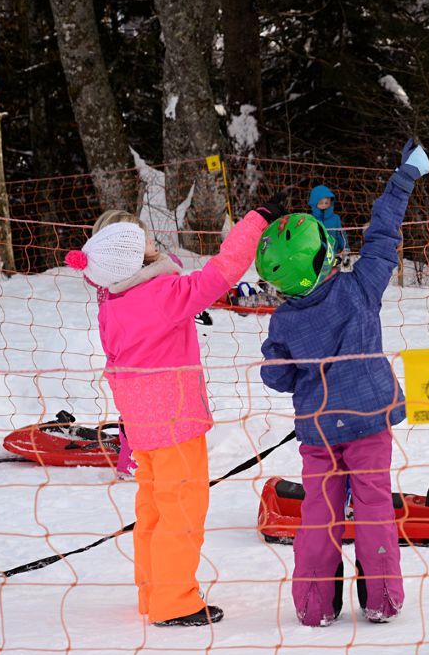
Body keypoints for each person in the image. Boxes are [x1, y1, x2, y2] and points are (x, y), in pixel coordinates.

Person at [66, 201, 276, 626]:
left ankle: (152, 591)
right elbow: (222, 271)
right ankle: (175, 601)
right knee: (182, 513)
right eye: (143, 238)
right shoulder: (163, 295)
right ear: (135, 255)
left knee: (154, 510)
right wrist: (256, 222)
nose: (152, 240)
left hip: (142, 427)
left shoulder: (112, 300)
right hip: (176, 424)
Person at [259, 140, 429, 626]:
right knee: (374, 507)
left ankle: (314, 605)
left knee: (320, 513)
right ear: (324, 254)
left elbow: (278, 377)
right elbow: (382, 237)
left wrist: (279, 360)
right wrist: (403, 179)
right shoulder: (359, 288)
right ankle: (382, 600)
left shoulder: (284, 321)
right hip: (368, 424)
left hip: (318, 433)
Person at [87, 209, 187, 481]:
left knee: (136, 413)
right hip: (141, 361)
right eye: (144, 240)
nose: (152, 241)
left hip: (126, 360)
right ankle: (135, 462)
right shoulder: (133, 284)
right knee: (141, 416)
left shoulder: (111, 280)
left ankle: (139, 459)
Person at [308, 184, 348, 255]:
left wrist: (345, 248)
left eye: (326, 203)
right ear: (314, 203)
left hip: (333, 254)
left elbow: (341, 235)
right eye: (321, 203)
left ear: (331, 202)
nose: (324, 205)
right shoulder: (310, 219)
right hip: (315, 255)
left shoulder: (335, 218)